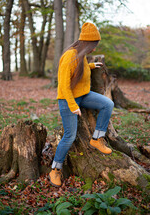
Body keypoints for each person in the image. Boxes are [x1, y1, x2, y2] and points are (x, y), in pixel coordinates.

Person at [49, 22, 114, 187]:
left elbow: (80, 69)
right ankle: (55, 169)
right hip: (67, 98)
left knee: (108, 104)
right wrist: (72, 105)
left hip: (83, 95)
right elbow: (64, 85)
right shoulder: (70, 55)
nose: (94, 49)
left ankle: (97, 138)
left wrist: (91, 66)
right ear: (86, 43)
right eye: (93, 45)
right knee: (70, 136)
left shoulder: (81, 55)